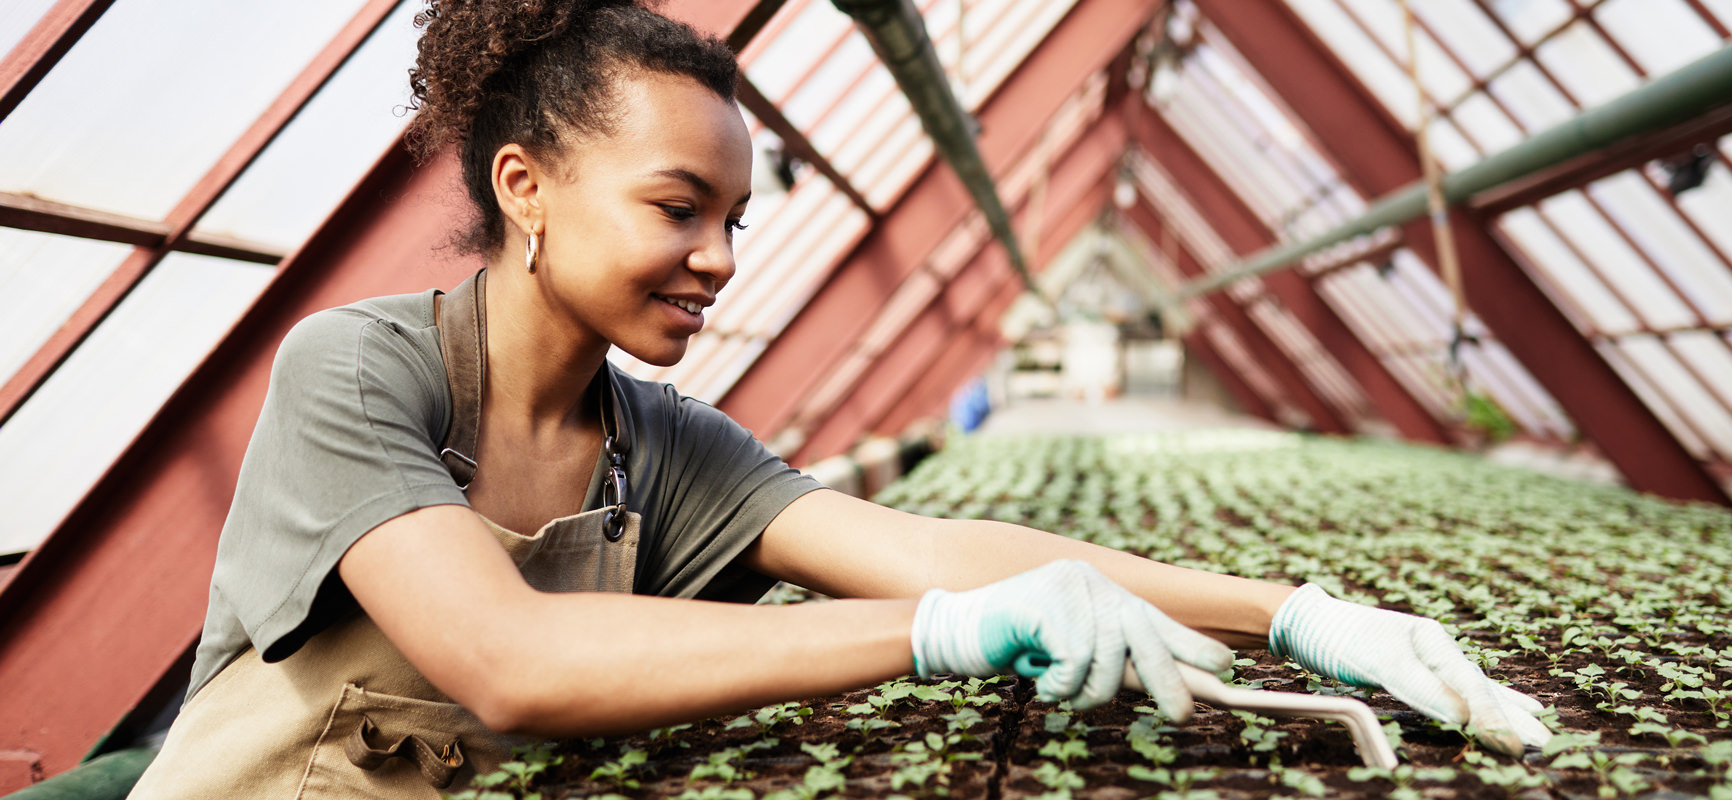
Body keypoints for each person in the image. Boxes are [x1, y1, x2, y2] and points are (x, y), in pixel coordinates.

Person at [128, 2, 1548, 797]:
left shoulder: (657, 452)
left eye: (736, 221)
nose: (718, 260)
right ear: (527, 190)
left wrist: (1286, 610)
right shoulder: (357, 370)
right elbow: (511, 661)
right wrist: (947, 639)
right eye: (680, 208)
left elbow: (926, 552)